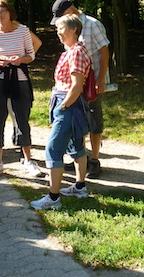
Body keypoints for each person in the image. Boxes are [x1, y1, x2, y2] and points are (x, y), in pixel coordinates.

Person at [30, 14, 92, 210]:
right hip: (69, 103)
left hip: (69, 103)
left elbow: (76, 86)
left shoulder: (76, 52)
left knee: (53, 149)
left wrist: (63, 105)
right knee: (76, 145)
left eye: (61, 28)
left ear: (74, 29)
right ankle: (79, 187)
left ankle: (53, 198)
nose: (58, 32)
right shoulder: (73, 50)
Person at [0, 0, 42, 179]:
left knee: (22, 119)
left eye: (2, 11)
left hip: (19, 78)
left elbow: (31, 55)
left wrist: (19, 60)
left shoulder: (22, 30)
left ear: (10, 13)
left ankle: (28, 160)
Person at [50, 0, 110, 178]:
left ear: (70, 12)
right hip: (76, 82)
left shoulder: (93, 24)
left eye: (61, 19)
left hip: (91, 82)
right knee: (78, 119)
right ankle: (79, 156)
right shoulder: (71, 35)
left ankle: (94, 159)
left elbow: (104, 52)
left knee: (94, 118)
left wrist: (100, 80)